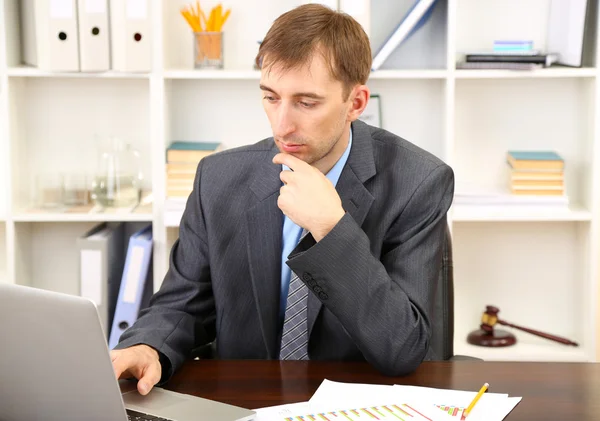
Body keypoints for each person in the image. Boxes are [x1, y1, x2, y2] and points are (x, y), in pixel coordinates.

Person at [111, 3, 454, 396]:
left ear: (355, 103)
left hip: (356, 405)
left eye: (306, 102)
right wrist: (148, 345)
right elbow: (181, 305)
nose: (282, 124)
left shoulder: (418, 183)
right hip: (242, 402)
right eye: (271, 98)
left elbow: (402, 348)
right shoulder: (218, 179)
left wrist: (331, 229)